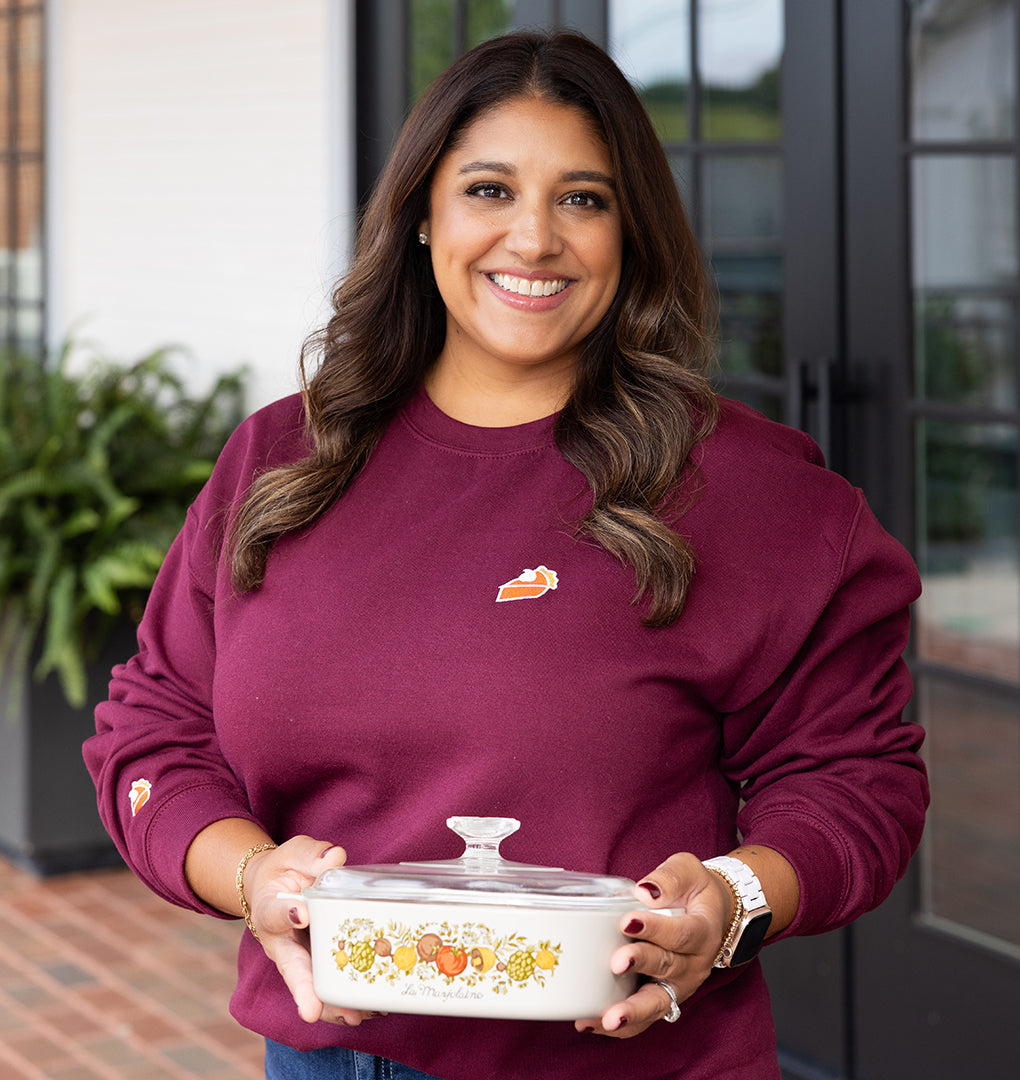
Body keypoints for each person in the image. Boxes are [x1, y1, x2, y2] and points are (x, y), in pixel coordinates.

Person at [84, 29, 927, 1080]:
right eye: (489, 189)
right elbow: (153, 728)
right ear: (422, 213)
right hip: (318, 1061)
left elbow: (854, 778)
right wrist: (253, 877)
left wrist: (735, 900)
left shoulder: (756, 496)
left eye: (583, 198)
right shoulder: (281, 460)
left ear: (633, 233)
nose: (533, 239)